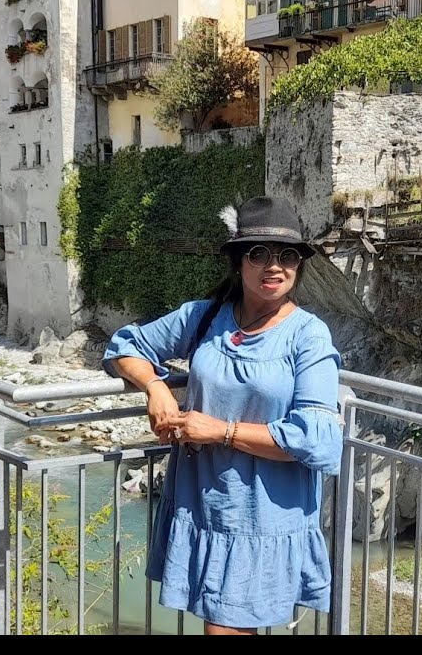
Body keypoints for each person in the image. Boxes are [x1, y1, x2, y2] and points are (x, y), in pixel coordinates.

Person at [103, 196, 343, 635]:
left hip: (265, 516)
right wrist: (156, 387)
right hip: (207, 506)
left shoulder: (308, 335)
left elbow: (316, 439)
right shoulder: (204, 317)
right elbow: (125, 347)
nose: (275, 266)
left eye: (288, 255)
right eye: (259, 253)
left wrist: (220, 431)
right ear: (237, 262)